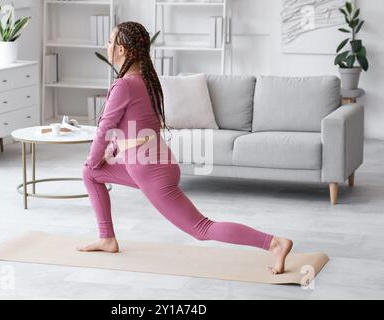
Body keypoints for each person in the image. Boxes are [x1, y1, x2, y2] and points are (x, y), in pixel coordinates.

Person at [78, 21, 293, 274]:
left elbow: (105, 128)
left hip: (149, 170)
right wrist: (105, 157)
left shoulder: (124, 85)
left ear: (122, 49)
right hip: (153, 162)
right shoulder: (147, 80)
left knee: (201, 229)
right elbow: (132, 126)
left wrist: (95, 159)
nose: (107, 45)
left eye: (110, 40)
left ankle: (274, 243)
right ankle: (107, 238)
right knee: (89, 173)